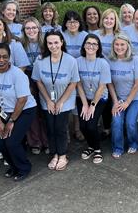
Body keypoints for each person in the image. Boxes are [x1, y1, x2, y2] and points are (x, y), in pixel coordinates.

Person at [0, 14, 30, 160]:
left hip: (11, 90)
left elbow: (22, 65)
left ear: (4, 27)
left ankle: (18, 146)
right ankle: (0, 147)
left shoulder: (14, 44)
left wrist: (10, 83)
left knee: (14, 119)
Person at [0, 43, 37, 181]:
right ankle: (14, 166)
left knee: (12, 142)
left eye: (4, 57)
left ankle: (24, 167)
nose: (1, 60)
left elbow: (22, 99)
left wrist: (10, 122)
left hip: (25, 110)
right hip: (6, 111)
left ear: (9, 58)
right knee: (0, 142)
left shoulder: (17, 74)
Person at [32, 30, 79, 171]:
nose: (53, 46)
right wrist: (48, 100)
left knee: (60, 128)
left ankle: (63, 155)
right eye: (50, 43)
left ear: (62, 42)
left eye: (56, 42)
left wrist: (60, 102)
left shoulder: (71, 60)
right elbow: (38, 81)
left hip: (65, 100)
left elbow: (73, 83)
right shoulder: (40, 60)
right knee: (50, 128)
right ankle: (54, 154)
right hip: (47, 100)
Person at [107, 33, 138, 158]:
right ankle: (118, 147)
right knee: (116, 121)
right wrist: (115, 102)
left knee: (130, 122)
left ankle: (134, 143)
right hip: (118, 97)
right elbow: (110, 83)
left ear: (128, 45)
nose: (119, 47)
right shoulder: (110, 60)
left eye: (122, 44)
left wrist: (127, 102)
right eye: (117, 44)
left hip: (135, 97)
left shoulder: (135, 59)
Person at [76, 34, 111, 164]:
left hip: (99, 98)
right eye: (88, 43)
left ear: (98, 47)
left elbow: (102, 86)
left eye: (94, 44)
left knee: (91, 125)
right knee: (83, 126)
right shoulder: (77, 61)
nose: (91, 46)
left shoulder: (103, 63)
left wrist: (92, 105)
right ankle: (90, 146)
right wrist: (85, 103)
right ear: (84, 45)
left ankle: (97, 149)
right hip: (82, 97)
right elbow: (78, 83)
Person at [21, 17, 48, 155]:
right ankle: (35, 141)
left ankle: (47, 140)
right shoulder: (21, 44)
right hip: (27, 77)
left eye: (33, 27)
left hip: (44, 78)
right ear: (24, 30)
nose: (31, 30)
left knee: (44, 110)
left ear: (39, 29)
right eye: (28, 28)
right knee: (31, 111)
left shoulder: (45, 43)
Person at [61, 11, 88, 141]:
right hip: (64, 73)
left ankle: (77, 129)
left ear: (79, 23)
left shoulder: (85, 36)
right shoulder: (61, 35)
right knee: (64, 101)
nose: (72, 24)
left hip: (81, 72)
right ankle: (65, 130)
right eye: (69, 21)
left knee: (78, 102)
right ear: (65, 23)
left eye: (75, 21)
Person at [95, 8, 122, 136]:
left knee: (115, 99)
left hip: (117, 72)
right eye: (106, 18)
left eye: (112, 18)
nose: (109, 21)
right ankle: (106, 128)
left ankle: (119, 125)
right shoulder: (96, 35)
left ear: (116, 20)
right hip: (101, 73)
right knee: (105, 100)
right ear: (102, 20)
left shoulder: (120, 35)